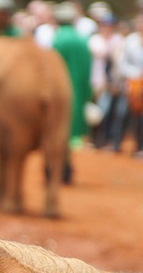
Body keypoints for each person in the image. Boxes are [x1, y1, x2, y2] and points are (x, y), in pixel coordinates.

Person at [52, 2, 92, 183]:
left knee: (57, 131)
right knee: (70, 132)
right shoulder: (82, 40)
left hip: (59, 94)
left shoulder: (58, 40)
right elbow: (88, 72)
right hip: (78, 93)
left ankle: (59, 169)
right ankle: (67, 167)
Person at [111, 14, 143, 153]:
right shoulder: (129, 41)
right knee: (122, 112)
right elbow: (122, 63)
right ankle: (116, 143)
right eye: (141, 23)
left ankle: (142, 146)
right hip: (130, 83)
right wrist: (135, 76)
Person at [89, 15, 124, 149]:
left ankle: (105, 140)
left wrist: (114, 83)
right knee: (94, 114)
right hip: (95, 82)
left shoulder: (118, 40)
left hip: (111, 84)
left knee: (107, 112)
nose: (106, 28)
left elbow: (117, 63)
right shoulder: (95, 40)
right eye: (104, 25)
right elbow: (100, 53)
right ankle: (93, 139)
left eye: (109, 25)